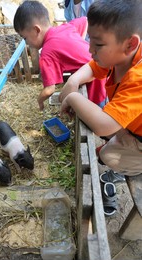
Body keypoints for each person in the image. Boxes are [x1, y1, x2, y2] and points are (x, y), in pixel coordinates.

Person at [59, 0, 142, 215]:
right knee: (109, 140)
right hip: (133, 126)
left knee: (108, 156)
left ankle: (119, 172)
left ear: (130, 44)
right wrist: (72, 81)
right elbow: (92, 66)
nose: (89, 49)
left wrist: (74, 98)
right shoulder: (122, 56)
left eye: (98, 44)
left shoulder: (139, 77)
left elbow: (104, 126)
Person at [13, 0, 107, 111]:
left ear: (36, 30)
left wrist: (39, 101)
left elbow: (49, 89)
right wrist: (78, 45)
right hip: (104, 68)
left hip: (95, 84)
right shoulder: (64, 28)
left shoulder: (46, 54)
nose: (26, 43)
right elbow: (84, 20)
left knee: (97, 115)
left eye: (25, 38)